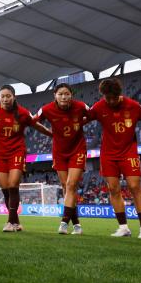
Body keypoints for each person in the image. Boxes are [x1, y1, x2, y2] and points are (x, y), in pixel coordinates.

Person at [88, 78, 141, 239]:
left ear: (119, 94)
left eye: (114, 98)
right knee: (113, 189)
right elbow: (83, 118)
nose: (111, 101)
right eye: (108, 98)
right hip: (108, 154)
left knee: (135, 187)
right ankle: (123, 227)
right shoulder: (99, 107)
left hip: (128, 152)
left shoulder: (132, 105)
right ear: (103, 95)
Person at [0, 85, 51, 232]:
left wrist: (52, 134)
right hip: (0, 153)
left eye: (8, 96)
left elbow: (37, 125)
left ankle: (9, 222)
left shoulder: (23, 113)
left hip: (17, 151)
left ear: (14, 97)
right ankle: (16, 222)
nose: (5, 99)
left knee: (13, 185)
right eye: (3, 96)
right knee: (5, 190)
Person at [34, 83, 89, 235]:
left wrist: (79, 123)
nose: (64, 97)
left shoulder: (80, 106)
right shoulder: (46, 109)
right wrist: (48, 132)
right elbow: (33, 121)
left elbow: (93, 114)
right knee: (66, 187)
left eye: (66, 94)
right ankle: (77, 225)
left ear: (71, 95)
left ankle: (64, 223)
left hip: (77, 150)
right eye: (60, 94)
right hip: (59, 152)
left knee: (71, 185)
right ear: (55, 96)